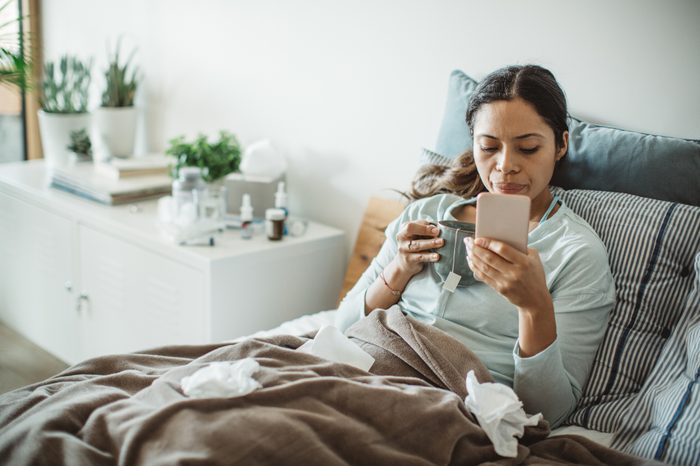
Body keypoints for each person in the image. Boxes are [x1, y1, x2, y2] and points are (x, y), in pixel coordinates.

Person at [335, 64, 615, 428]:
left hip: (451, 405)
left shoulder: (575, 252)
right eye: (488, 147)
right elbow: (341, 327)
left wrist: (534, 308)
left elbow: (550, 410)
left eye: (528, 148)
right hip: (366, 365)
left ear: (561, 144)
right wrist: (398, 271)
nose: (505, 166)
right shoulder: (426, 213)